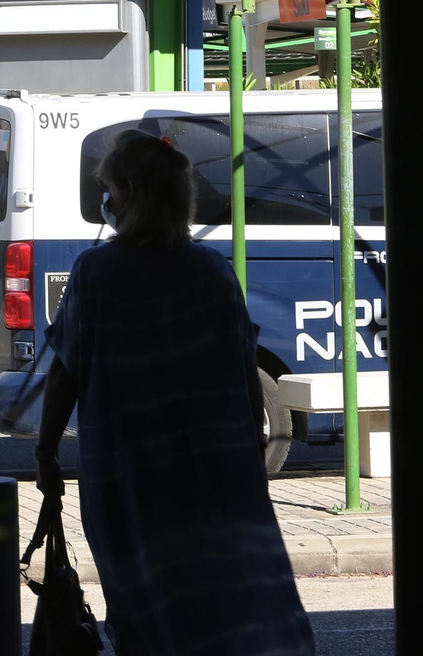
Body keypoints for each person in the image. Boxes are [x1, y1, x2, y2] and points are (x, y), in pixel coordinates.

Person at [34, 133, 314, 656]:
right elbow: (243, 371)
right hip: (215, 476)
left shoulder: (97, 273)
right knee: (220, 604)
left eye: (111, 190)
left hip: (132, 480)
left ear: (131, 193)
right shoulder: (213, 271)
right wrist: (251, 457)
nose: (107, 203)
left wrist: (46, 451)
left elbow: (64, 372)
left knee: (144, 603)